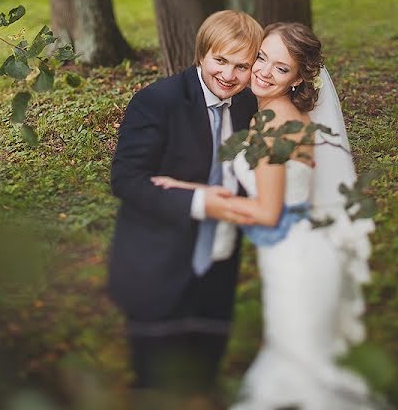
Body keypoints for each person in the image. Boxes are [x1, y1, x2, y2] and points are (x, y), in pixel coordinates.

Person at [153, 23, 385, 409]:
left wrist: (189, 194)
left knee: (310, 381)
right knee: (295, 373)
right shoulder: (273, 114)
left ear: (297, 78)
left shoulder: (276, 124)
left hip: (297, 265)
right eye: (261, 57)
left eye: (281, 68)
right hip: (290, 258)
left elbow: (266, 211)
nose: (263, 71)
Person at [107, 10, 263, 399]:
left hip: (218, 263)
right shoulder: (157, 102)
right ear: (201, 55)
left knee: (203, 374)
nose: (229, 75)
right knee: (156, 384)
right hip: (158, 264)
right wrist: (198, 200)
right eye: (220, 61)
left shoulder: (249, 107)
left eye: (241, 66)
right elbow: (127, 180)